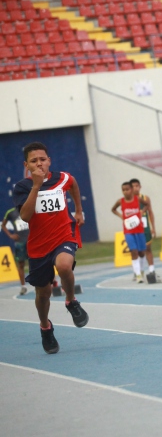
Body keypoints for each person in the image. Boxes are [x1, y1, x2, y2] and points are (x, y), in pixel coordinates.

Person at [12, 141, 89, 354]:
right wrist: (36, 185)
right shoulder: (22, 187)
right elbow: (26, 216)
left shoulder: (62, 178)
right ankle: (45, 326)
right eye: (34, 161)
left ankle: (71, 301)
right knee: (43, 293)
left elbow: (73, 183)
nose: (39, 164)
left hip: (63, 235)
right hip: (38, 246)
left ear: (49, 161)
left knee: (65, 266)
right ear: (26, 164)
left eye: (42, 159)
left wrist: (79, 210)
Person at [112, 181, 147, 283]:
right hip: (128, 230)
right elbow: (113, 209)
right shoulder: (120, 201)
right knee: (134, 251)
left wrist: (142, 211)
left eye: (127, 189)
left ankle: (142, 270)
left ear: (131, 190)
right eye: (123, 190)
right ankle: (138, 275)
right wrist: (121, 216)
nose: (125, 192)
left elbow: (146, 205)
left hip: (139, 229)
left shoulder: (137, 199)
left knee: (141, 252)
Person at [130, 178, 157, 277]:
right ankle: (139, 270)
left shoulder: (145, 198)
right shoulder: (129, 200)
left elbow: (150, 212)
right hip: (134, 228)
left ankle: (151, 270)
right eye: (133, 186)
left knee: (148, 248)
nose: (135, 188)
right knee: (138, 251)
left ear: (140, 187)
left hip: (145, 227)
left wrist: (153, 227)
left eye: (137, 186)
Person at [3, 206, 30, 295]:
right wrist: (10, 235)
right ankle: (23, 286)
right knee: (21, 264)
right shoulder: (11, 212)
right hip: (20, 242)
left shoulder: (29, 208)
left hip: (31, 240)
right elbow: (3, 225)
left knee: (36, 262)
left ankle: (40, 283)